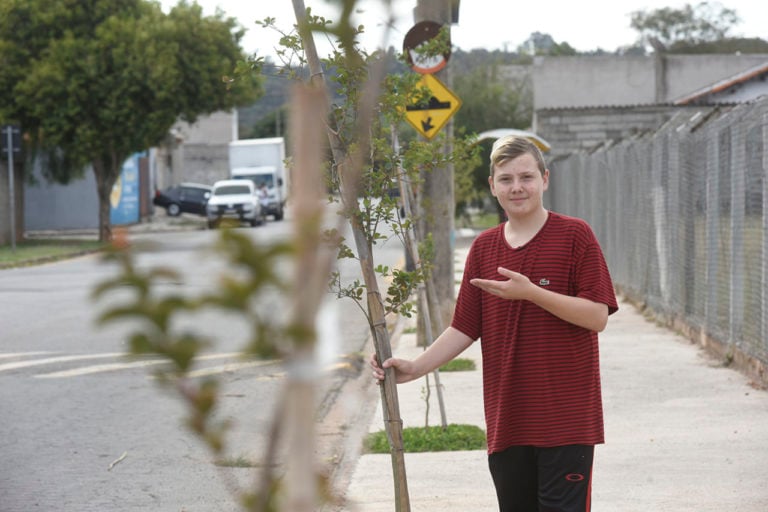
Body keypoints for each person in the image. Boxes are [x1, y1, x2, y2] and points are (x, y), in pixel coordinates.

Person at [371, 135, 618, 512]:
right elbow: (464, 327)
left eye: (526, 177)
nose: (517, 187)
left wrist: (532, 293)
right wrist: (415, 367)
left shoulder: (575, 236)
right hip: (508, 420)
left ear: (544, 179)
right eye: (506, 179)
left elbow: (597, 316)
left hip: (566, 421)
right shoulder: (484, 249)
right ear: (492, 186)